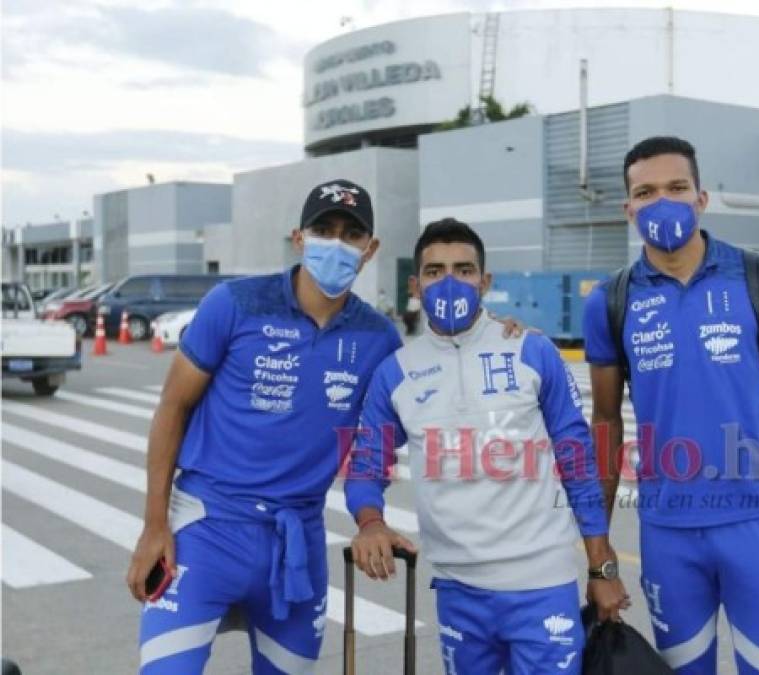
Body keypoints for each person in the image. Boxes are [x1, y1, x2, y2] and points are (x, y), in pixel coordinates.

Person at [583, 136, 759, 674]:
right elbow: (606, 424)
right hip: (667, 534)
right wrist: (600, 558)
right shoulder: (610, 301)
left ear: (701, 198)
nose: (663, 202)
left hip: (758, 527)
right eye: (647, 191)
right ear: (629, 208)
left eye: (677, 187)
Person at [126, 179, 404, 674]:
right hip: (205, 530)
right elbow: (172, 407)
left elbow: (382, 434)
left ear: (370, 249)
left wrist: (371, 519)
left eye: (350, 234)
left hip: (296, 541)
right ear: (299, 238)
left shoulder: (379, 338)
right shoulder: (235, 303)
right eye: (324, 229)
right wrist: (153, 526)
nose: (336, 244)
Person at [345, 218, 630, 675]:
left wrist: (602, 567)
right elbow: (367, 463)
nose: (450, 282)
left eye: (464, 269)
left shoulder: (532, 352)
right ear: (416, 284)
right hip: (459, 593)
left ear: (485, 281)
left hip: (544, 585)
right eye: (435, 272)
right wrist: (370, 521)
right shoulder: (395, 371)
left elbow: (577, 460)